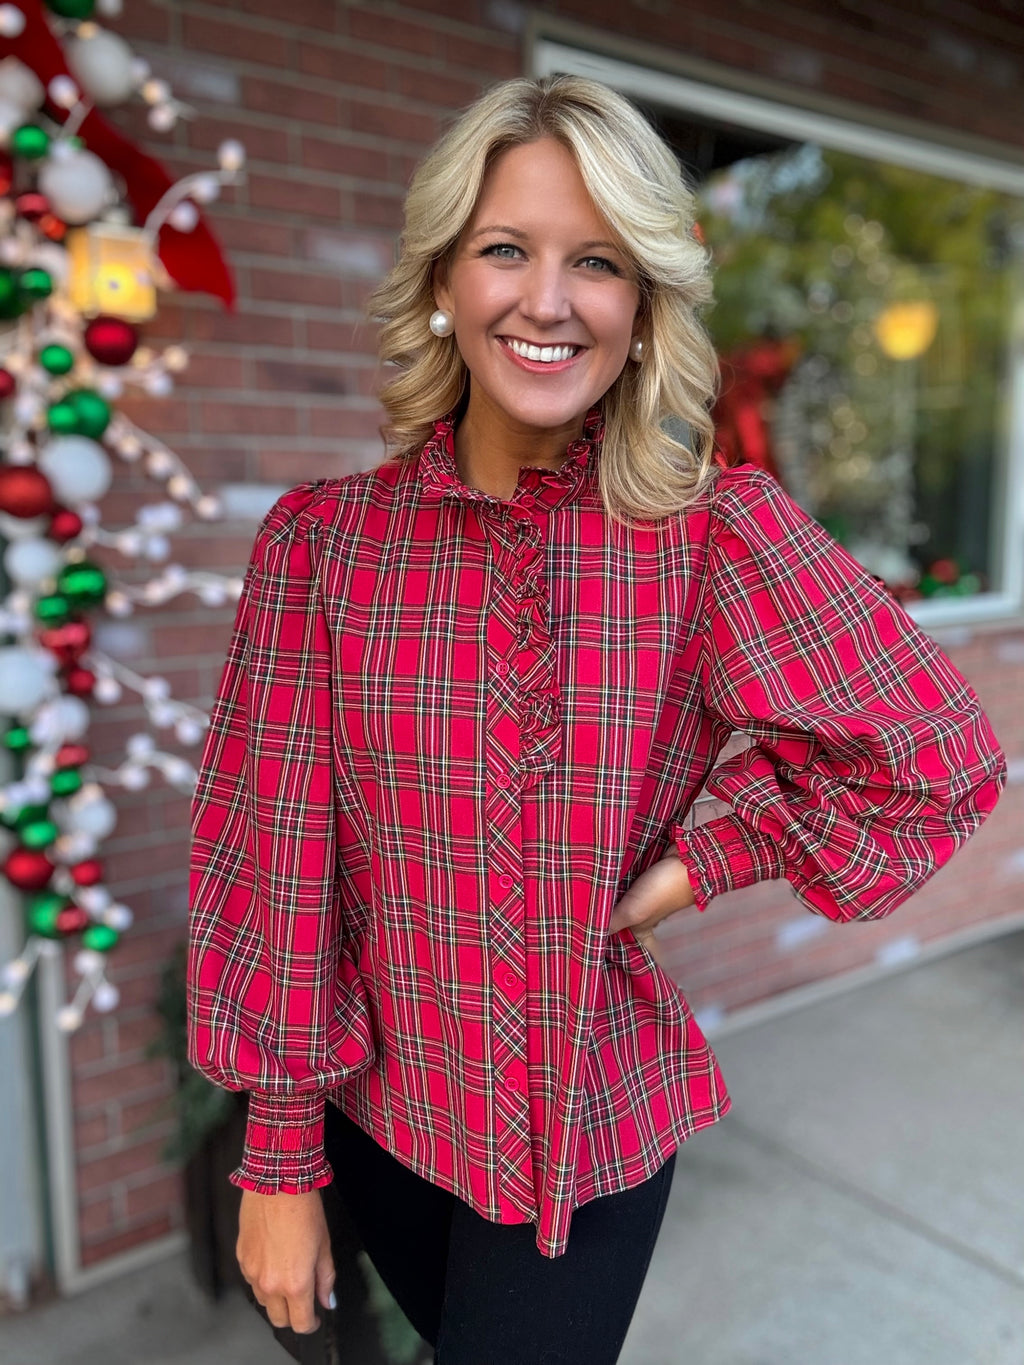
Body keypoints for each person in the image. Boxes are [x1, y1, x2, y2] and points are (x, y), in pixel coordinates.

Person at [186, 75, 1007, 1365]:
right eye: (506, 250)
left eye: (600, 262)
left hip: (587, 1124)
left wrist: (691, 868)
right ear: (444, 283)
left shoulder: (714, 535)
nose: (550, 300)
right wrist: (278, 1157)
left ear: (644, 305)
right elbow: (272, 858)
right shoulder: (325, 548)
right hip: (376, 1115)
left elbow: (933, 759)